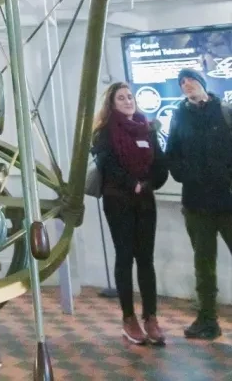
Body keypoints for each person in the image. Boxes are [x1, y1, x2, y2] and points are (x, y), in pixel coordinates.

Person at [91, 81, 168, 346]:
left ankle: (151, 318)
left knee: (146, 259)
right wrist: (130, 183)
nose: (127, 101)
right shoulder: (104, 132)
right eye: (121, 98)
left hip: (145, 201)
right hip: (118, 201)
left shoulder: (147, 129)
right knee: (125, 257)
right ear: (112, 104)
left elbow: (159, 165)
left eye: (130, 97)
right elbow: (106, 163)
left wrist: (147, 184)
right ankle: (129, 319)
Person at [166, 66, 232, 341]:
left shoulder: (225, 113)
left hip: (229, 203)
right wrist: (187, 174)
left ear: (202, 83)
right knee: (203, 267)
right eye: (182, 83)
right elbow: (173, 156)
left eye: (191, 80)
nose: (186, 85)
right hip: (196, 206)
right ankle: (207, 321)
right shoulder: (179, 117)